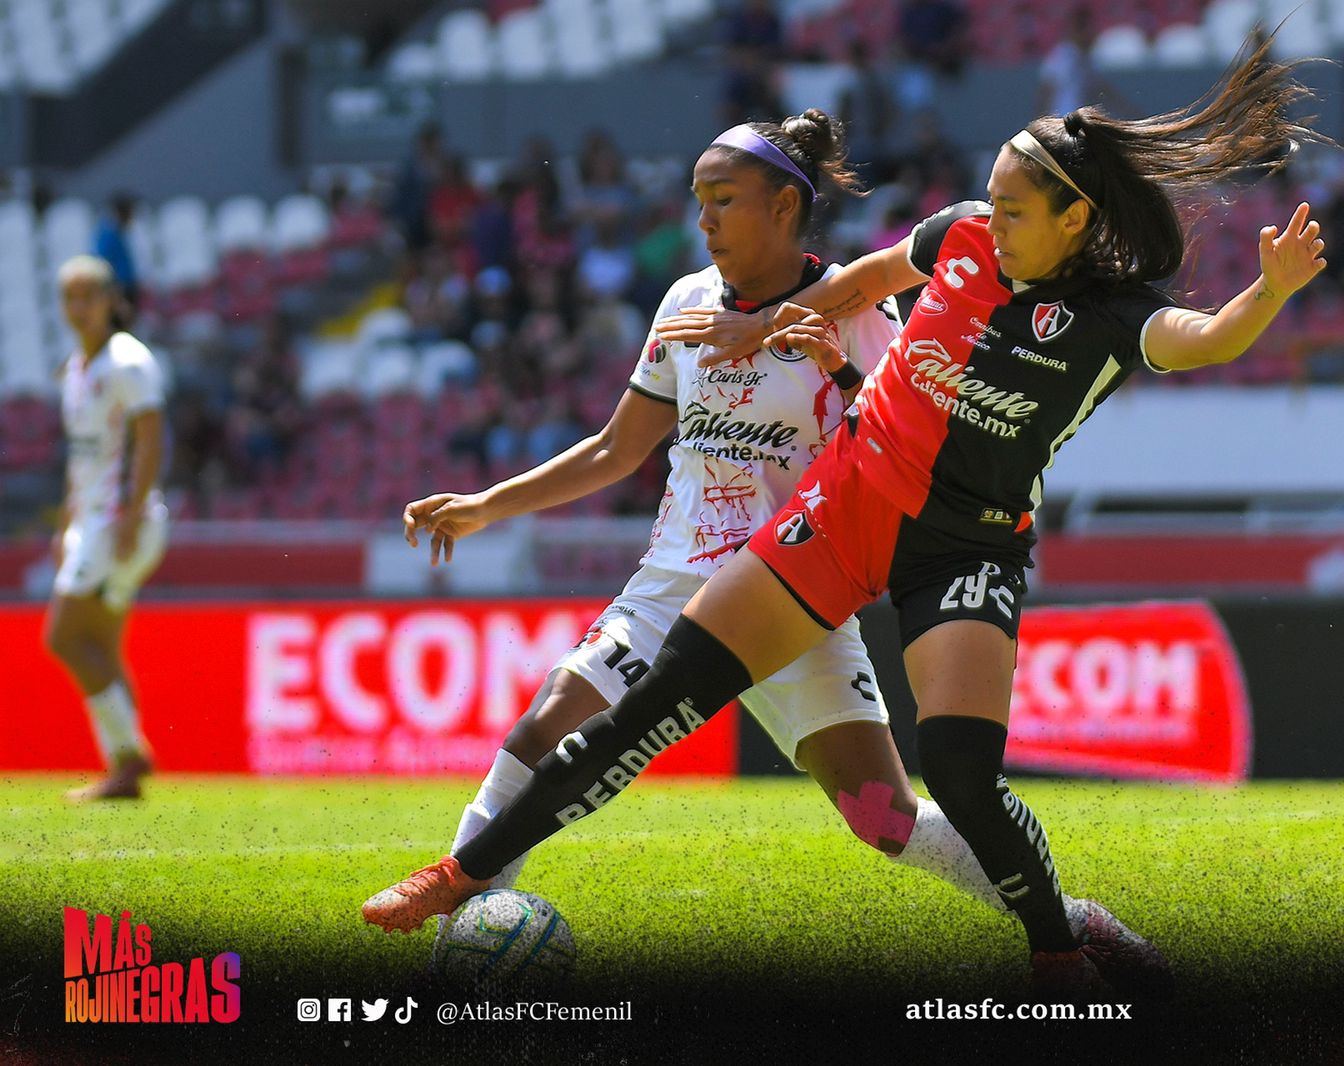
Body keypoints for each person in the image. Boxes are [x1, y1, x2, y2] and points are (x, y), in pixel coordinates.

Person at [363, 38, 1326, 994]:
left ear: (1075, 217)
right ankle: (462, 876)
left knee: (943, 783)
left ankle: (1060, 943)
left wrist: (1269, 291)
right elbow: (859, 283)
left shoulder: (1114, 316)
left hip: (965, 543)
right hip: (842, 509)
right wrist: (762, 325)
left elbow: (1199, 341)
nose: (992, 217)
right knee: (654, 699)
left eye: (1015, 206)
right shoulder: (958, 236)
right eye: (988, 195)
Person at [366, 109, 1056, 957]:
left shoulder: (852, 308)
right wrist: (486, 505)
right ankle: (457, 927)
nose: (703, 221)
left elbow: (901, 431)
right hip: (675, 580)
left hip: (799, 587)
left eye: (722, 199)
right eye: (698, 201)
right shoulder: (686, 301)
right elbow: (619, 448)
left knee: (884, 820)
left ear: (782, 207)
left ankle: (1069, 923)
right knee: (548, 727)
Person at [45, 256, 169, 802]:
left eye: (87, 296)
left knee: (64, 636)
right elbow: (85, 459)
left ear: (110, 301)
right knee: (99, 643)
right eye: (69, 297)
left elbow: (150, 438)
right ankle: (123, 768)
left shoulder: (128, 360)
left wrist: (133, 512)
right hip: (91, 520)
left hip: (120, 521)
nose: (78, 307)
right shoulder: (75, 366)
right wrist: (67, 520)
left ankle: (131, 753)